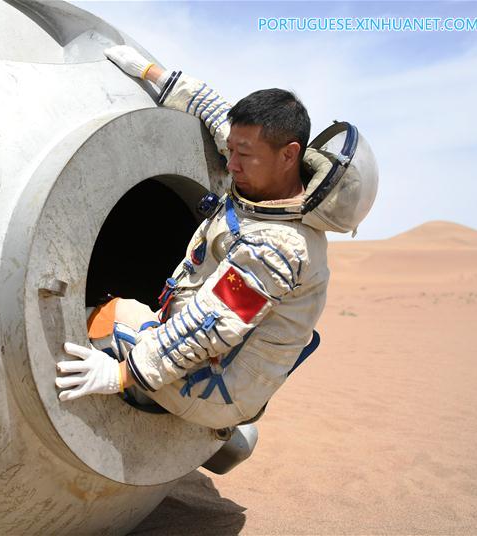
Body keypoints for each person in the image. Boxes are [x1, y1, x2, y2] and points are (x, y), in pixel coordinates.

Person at [55, 46, 378, 430]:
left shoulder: (278, 247)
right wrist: (149, 71)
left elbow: (209, 325)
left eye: (243, 154)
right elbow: (213, 110)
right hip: (220, 354)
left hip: (217, 384)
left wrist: (121, 375)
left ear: (289, 154)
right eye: (233, 149)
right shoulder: (266, 167)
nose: (231, 162)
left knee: (107, 317)